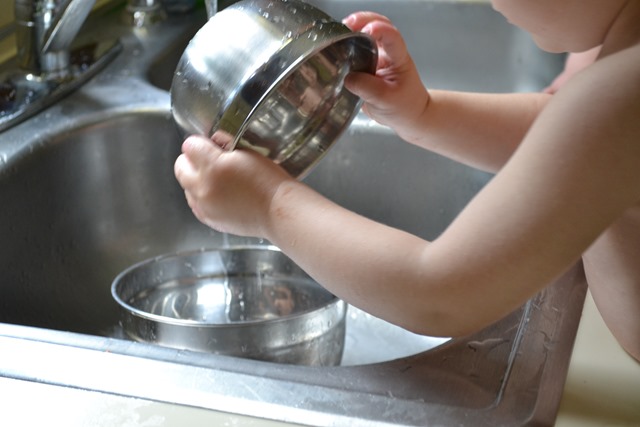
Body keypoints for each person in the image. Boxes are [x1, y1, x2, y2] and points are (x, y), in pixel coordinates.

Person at [174, 0, 640, 361]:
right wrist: (425, 114)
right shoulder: (618, 73)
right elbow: (561, 135)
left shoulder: (619, 95)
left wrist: (268, 205)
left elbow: (441, 293)